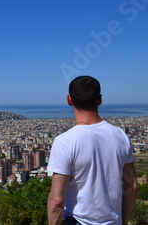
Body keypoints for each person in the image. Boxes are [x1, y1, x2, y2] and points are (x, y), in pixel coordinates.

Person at [47, 76, 138, 225]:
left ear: (69, 100)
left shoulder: (65, 141)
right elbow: (132, 187)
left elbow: (56, 200)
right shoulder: (120, 136)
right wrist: (124, 220)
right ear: (100, 100)